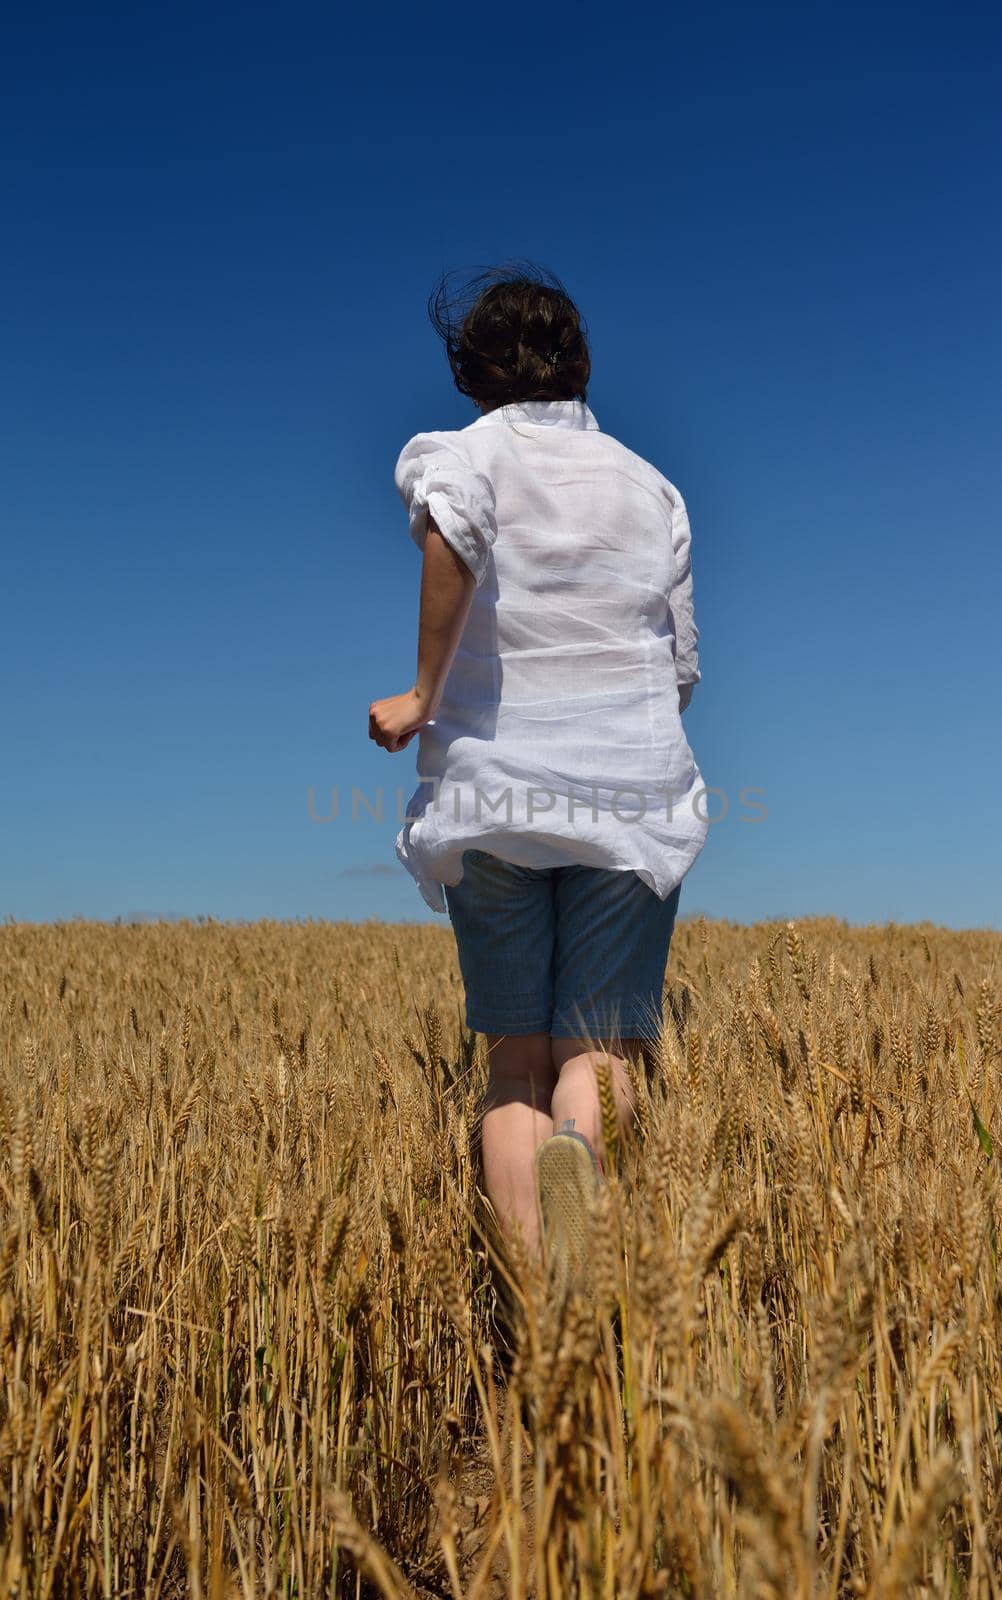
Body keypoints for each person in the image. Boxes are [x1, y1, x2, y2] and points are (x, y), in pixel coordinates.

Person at [369, 262, 708, 1303]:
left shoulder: (462, 455)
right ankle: (582, 1153)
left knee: (513, 1059)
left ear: (474, 373)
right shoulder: (652, 488)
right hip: (629, 798)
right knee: (598, 1054)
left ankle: (535, 1295)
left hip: (495, 797)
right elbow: (683, 661)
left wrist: (426, 690)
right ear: (580, 366)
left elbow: (453, 536)